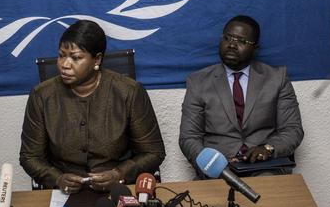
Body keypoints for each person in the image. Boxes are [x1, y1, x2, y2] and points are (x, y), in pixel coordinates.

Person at [19, 20, 166, 193]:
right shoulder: (42, 95)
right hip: (64, 192)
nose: (64, 65)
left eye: (75, 57)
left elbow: (153, 152)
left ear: (97, 59)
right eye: (61, 55)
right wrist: (57, 178)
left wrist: (118, 174)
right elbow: (30, 157)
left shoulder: (129, 92)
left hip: (119, 189)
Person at [179, 15, 304, 175]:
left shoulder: (277, 79)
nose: (231, 45)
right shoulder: (198, 82)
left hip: (264, 167)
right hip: (219, 171)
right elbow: (189, 137)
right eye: (227, 38)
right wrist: (212, 165)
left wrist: (268, 149)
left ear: (255, 48)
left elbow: (292, 130)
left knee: (267, 193)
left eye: (241, 41)